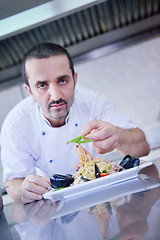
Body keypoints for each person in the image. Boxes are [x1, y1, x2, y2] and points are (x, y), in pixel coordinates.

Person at [0, 42, 150, 204]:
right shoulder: (16, 124)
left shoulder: (92, 101)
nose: (55, 95)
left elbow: (143, 148)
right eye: (42, 85)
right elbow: (12, 183)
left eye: (63, 81)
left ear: (75, 79)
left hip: (103, 195)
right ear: (29, 91)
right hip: (55, 204)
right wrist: (24, 190)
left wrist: (118, 136)